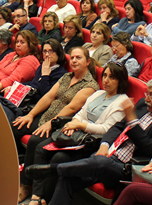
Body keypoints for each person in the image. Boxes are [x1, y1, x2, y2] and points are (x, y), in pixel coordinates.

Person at [30, 77, 152, 205]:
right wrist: (104, 145)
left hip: (125, 168)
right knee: (69, 178)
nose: (147, 98)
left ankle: (53, 169)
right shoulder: (143, 104)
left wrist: (132, 121)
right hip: (107, 155)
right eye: (147, 93)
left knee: (101, 163)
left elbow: (151, 149)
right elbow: (117, 127)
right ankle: (61, 171)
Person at [25, 62, 131, 205]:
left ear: (120, 80)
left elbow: (106, 129)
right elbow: (80, 113)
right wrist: (72, 125)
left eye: (112, 77)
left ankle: (46, 199)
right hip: (74, 134)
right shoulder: (98, 93)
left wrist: (80, 125)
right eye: (105, 76)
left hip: (90, 143)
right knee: (40, 147)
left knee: (59, 157)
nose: (106, 80)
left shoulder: (122, 101)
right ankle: (36, 196)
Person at [14, 47, 100, 203]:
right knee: (16, 125)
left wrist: (50, 123)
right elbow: (49, 96)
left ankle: (27, 185)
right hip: (46, 117)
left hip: (61, 124)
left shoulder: (90, 85)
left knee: (34, 140)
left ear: (88, 62)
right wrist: (31, 114)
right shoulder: (66, 76)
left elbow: (72, 108)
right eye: (72, 57)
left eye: (78, 58)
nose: (74, 60)